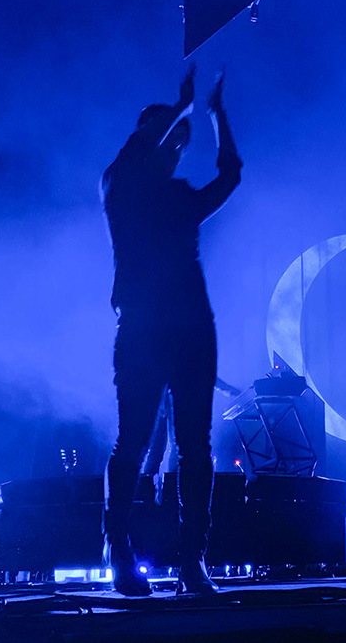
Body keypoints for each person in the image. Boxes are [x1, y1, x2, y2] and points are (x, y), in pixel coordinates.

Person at [100, 66, 242, 596]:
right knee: (134, 441)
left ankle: (191, 560)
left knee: (195, 445)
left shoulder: (180, 197)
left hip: (192, 329)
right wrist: (184, 106)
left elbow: (230, 176)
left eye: (181, 144)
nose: (177, 150)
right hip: (142, 328)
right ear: (144, 137)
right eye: (170, 139)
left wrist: (216, 116)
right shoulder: (119, 184)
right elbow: (144, 150)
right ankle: (119, 550)